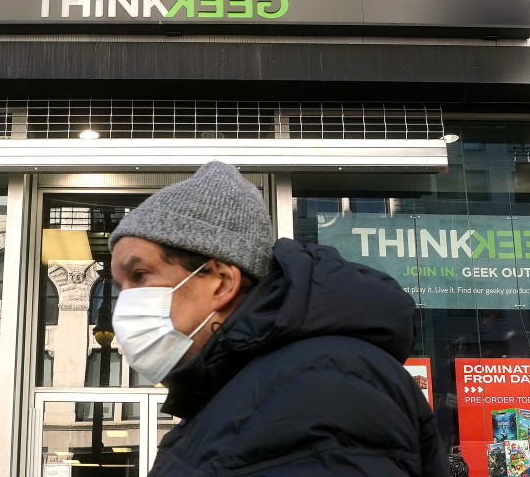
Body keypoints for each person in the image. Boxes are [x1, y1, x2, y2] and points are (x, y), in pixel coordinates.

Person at [108, 160, 449, 476]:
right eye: (120, 285)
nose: (125, 302)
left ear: (221, 281)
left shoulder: (321, 384)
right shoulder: (244, 388)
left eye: (139, 275)